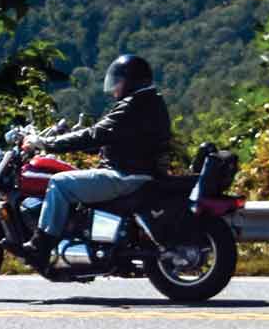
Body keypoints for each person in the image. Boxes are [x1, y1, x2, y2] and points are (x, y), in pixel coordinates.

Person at [21, 54, 173, 263]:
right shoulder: (149, 101)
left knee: (58, 183)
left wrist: (47, 144)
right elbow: (113, 139)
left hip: (125, 175)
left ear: (131, 81)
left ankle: (40, 246)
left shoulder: (133, 105)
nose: (115, 89)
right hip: (137, 171)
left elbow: (94, 134)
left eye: (118, 82)